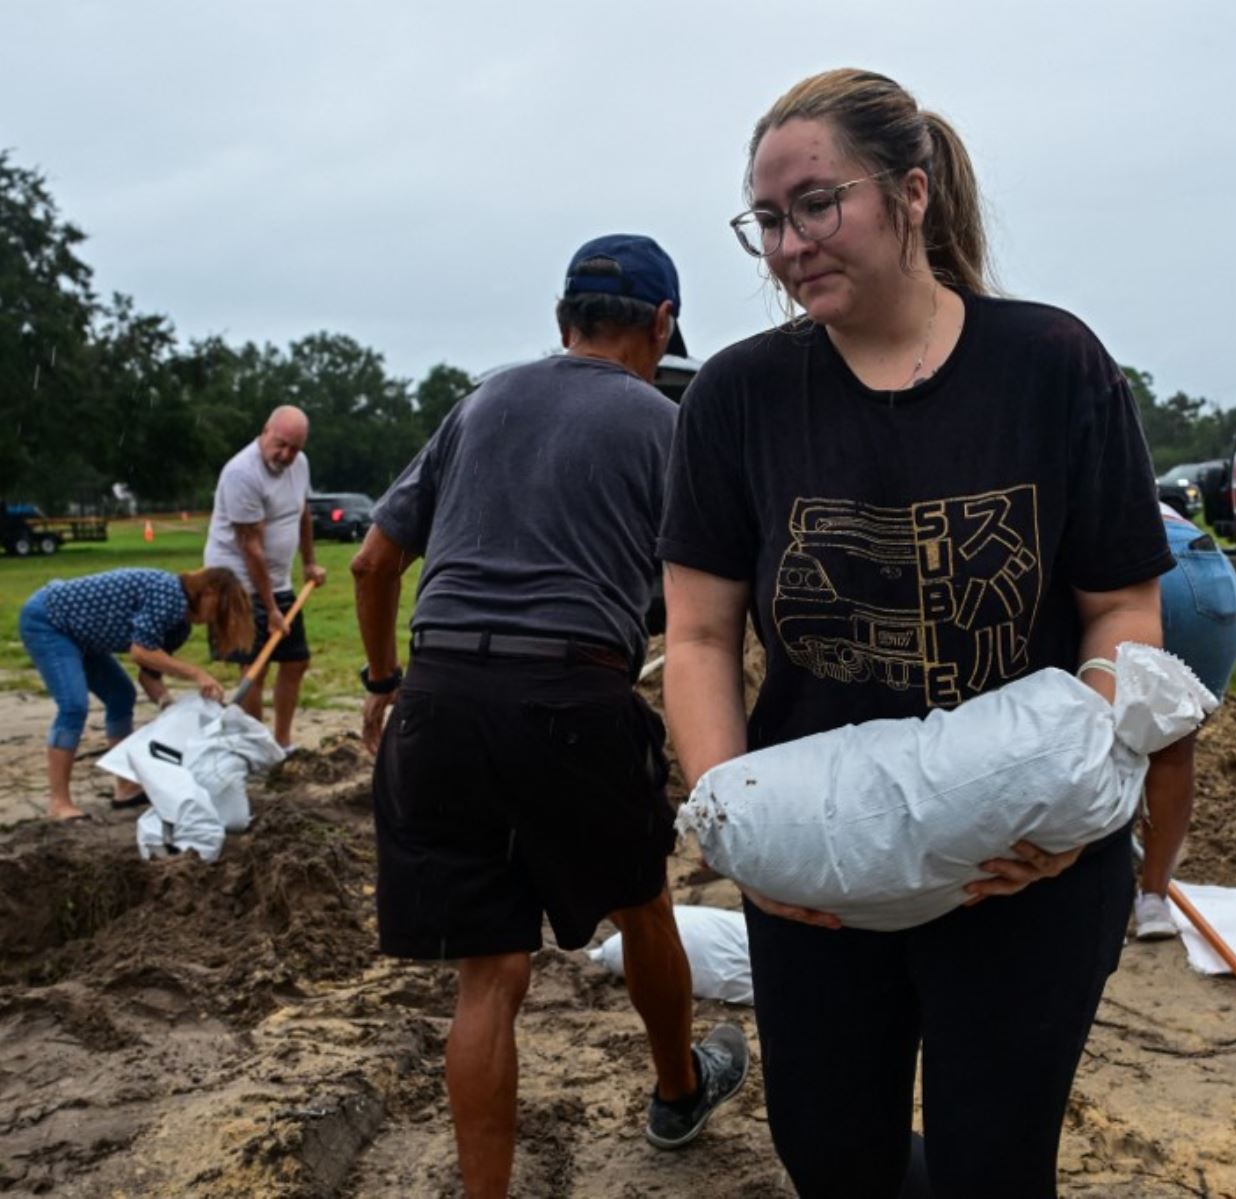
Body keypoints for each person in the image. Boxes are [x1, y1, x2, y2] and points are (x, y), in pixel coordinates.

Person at [658, 69, 1180, 1195]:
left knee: (994, 1165)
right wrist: (735, 823)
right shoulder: (738, 397)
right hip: (824, 869)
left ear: (910, 193)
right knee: (832, 1155)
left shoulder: (1050, 364)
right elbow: (698, 637)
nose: (790, 244)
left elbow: (1121, 608)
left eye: (816, 204)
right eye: (767, 220)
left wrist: (1067, 804)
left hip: (1021, 873)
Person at [351, 234, 746, 1199]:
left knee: (489, 976)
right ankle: (676, 1089)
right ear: (660, 325)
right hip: (573, 694)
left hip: (438, 701)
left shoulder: (480, 399)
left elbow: (371, 564)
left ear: (562, 317)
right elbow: (695, 594)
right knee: (642, 904)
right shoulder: (663, 423)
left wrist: (381, 682)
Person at [17, 566, 251, 822]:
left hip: (85, 634)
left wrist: (169, 707)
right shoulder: (170, 594)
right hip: (50, 620)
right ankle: (59, 802)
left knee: (121, 695)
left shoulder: (180, 626)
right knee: (73, 705)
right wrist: (197, 674)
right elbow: (141, 651)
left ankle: (126, 787)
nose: (213, 619)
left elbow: (148, 675)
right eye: (219, 609)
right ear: (207, 592)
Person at [1134, 501, 1236, 939]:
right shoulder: (1133, 477)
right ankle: (1152, 901)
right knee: (1173, 752)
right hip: (1212, 574)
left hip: (1139, 567)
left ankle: (1087, 887)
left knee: (1096, 738)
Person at [203, 405, 326, 748]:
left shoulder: (299, 466)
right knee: (253, 666)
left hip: (278, 579)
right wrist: (271, 609)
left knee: (296, 660)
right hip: (236, 583)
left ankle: (282, 742)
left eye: (295, 448)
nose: (286, 455)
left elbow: (302, 514)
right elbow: (251, 547)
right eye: (281, 444)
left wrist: (309, 564)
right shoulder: (241, 473)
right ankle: (258, 746)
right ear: (264, 431)